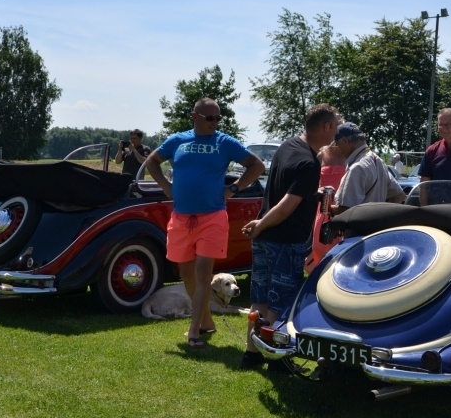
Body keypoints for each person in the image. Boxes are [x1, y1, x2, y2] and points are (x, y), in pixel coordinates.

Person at [144, 98, 264, 348]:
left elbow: (257, 165)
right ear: (195, 116)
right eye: (210, 118)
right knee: (186, 274)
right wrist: (165, 186)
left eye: (218, 118)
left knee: (202, 274)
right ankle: (207, 321)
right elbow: (152, 161)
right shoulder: (178, 140)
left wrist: (234, 188)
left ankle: (194, 330)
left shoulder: (224, 142)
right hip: (181, 217)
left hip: (213, 217)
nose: (215, 122)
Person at [240, 103, 340, 369]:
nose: (336, 133)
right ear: (326, 126)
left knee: (259, 297)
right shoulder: (309, 162)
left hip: (264, 237)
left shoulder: (286, 146)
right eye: (335, 126)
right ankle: (276, 359)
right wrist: (261, 224)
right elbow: (287, 204)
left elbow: (284, 189)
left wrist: (261, 225)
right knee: (280, 301)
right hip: (284, 239)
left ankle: (251, 354)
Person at [330, 122, 406, 216]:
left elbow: (346, 209)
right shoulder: (378, 161)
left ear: (345, 141)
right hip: (377, 224)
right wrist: (383, 217)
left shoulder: (357, 168)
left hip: (359, 224)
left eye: (337, 144)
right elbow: (399, 195)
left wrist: (327, 207)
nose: (337, 149)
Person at [304, 143, 347, 274]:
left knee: (340, 245)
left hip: (341, 207)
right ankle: (319, 274)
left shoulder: (348, 154)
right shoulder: (321, 155)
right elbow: (310, 182)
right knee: (319, 244)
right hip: (321, 207)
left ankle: (337, 274)